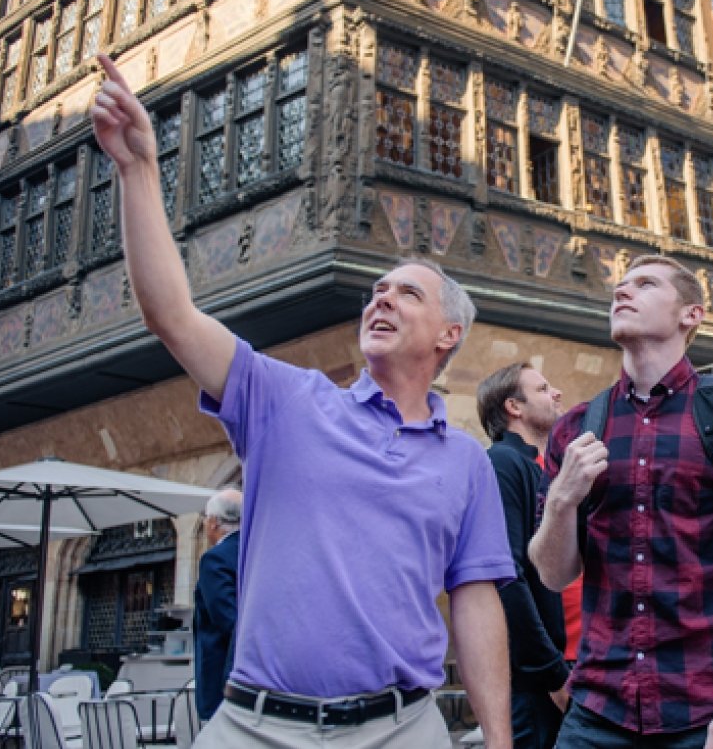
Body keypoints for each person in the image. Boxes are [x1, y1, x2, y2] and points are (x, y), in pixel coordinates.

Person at [90, 54, 515, 749]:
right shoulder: (285, 400)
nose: (381, 299)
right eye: (376, 291)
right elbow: (171, 315)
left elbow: (475, 602)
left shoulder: (467, 463)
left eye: (407, 292)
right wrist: (138, 170)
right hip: (257, 728)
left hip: (404, 728)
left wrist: (498, 739)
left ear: (449, 335)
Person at [529, 254, 713, 749]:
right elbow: (553, 573)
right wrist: (561, 502)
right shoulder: (577, 427)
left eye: (646, 284)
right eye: (621, 285)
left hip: (709, 704)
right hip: (599, 707)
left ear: (691, 314)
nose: (621, 292)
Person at [477, 363, 570, 749]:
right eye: (543, 388)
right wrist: (552, 674)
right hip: (537, 683)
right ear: (514, 406)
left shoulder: (543, 470)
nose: (557, 393)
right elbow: (506, 575)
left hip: (567, 665)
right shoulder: (503, 462)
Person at [194, 488, 242, 722]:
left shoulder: (215, 559)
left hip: (222, 678)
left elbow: (228, 620)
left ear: (213, 522)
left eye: (205, 518)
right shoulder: (255, 552)